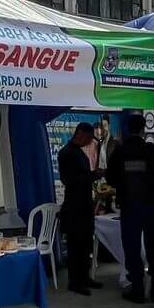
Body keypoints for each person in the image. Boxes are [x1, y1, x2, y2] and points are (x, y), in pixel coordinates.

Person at [106, 114, 154, 303]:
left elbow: (110, 178)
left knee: (132, 247)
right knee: (153, 246)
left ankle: (137, 287)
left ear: (128, 129)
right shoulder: (150, 150)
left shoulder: (120, 151)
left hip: (129, 206)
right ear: (144, 129)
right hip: (150, 205)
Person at [57, 122, 102, 296]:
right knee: (76, 244)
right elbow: (70, 180)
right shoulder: (67, 153)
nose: (90, 142)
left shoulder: (79, 153)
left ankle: (85, 276)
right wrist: (93, 175)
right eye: (89, 138)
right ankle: (75, 281)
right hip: (74, 206)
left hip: (84, 204)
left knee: (85, 243)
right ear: (80, 134)